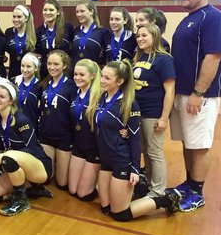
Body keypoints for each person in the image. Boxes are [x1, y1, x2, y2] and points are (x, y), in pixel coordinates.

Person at [169, 0, 221, 212]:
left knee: (200, 145)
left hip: (199, 95)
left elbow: (213, 57)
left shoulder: (213, 18)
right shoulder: (189, 19)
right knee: (188, 142)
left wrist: (198, 92)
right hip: (182, 93)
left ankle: (197, 193)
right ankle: (189, 183)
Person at [95, 60, 180, 221]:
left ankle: (165, 200)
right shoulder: (102, 97)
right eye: (102, 76)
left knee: (119, 214)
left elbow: (134, 140)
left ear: (120, 81)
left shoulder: (129, 104)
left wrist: (134, 168)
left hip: (121, 160)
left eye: (107, 78)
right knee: (105, 208)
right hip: (106, 160)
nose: (102, 80)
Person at [0, 80, 52, 216]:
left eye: (2, 97)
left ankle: (21, 201)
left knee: (8, 157)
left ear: (11, 101)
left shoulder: (21, 120)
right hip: (16, 167)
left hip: (39, 166)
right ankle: (29, 189)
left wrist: (5, 154)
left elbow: (32, 148)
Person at [133, 24, 175, 197]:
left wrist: (164, 117)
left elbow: (170, 91)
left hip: (153, 113)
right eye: (138, 36)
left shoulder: (164, 59)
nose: (140, 38)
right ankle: (149, 184)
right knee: (145, 151)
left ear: (155, 37)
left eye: (144, 35)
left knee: (155, 152)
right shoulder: (140, 57)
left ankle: (158, 191)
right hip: (139, 112)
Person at [39, 50, 77, 190]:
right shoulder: (45, 84)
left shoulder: (71, 86)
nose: (52, 67)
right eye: (49, 63)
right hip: (46, 135)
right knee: (46, 178)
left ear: (65, 66)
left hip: (63, 137)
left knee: (62, 183)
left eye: (56, 64)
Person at [68, 59, 101, 200]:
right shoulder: (74, 92)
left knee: (83, 194)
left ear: (93, 75)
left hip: (95, 148)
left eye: (82, 75)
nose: (77, 78)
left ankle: (101, 183)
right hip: (79, 145)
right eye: (75, 74)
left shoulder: (100, 95)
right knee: (72, 190)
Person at [36, 0, 74, 79]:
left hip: (64, 71)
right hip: (46, 70)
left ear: (58, 12)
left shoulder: (67, 27)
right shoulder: (39, 30)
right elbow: (38, 50)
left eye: (51, 10)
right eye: (45, 10)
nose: (48, 12)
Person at [71, 0, 110, 69]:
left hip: (93, 72)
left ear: (91, 11)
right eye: (77, 12)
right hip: (76, 72)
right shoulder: (75, 30)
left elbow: (107, 54)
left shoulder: (103, 31)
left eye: (82, 11)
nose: (79, 14)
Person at [5, 5, 37, 80]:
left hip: (28, 72)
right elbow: (5, 47)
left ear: (26, 18)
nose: (16, 19)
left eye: (19, 17)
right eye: (14, 16)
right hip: (13, 71)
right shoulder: (9, 32)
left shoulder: (33, 33)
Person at [13, 53, 41, 133]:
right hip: (14, 125)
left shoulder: (39, 86)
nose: (25, 70)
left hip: (31, 125)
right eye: (22, 66)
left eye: (28, 66)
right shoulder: (14, 81)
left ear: (36, 68)